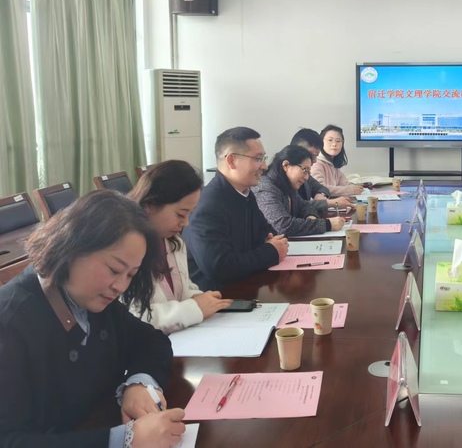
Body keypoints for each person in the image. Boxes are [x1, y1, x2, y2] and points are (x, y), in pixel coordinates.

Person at [0, 191, 185, 447]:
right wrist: (124, 440)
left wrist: (139, 383)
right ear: (73, 247)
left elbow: (151, 341)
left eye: (131, 274)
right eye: (114, 269)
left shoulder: (91, 299)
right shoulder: (10, 324)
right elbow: (8, 439)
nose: (120, 286)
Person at [129, 160, 233, 334]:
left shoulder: (173, 241)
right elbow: (134, 317)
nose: (186, 223)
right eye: (180, 214)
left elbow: (181, 289)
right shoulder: (127, 250)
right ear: (149, 205)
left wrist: (200, 298)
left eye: (189, 214)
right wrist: (194, 308)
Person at [185, 127, 289, 291]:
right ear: (232, 161)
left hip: (246, 286)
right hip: (219, 297)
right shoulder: (207, 205)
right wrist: (270, 252)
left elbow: (268, 232)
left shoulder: (245, 194)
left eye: (263, 158)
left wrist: (268, 244)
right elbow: (219, 268)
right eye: (258, 158)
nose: (264, 166)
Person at [254, 145, 346, 236]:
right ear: (286, 165)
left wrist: (311, 217)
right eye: (304, 170)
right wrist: (327, 225)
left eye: (308, 172)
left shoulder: (287, 184)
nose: (306, 177)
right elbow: (283, 226)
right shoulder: (266, 188)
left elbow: (305, 206)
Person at [291, 128, 353, 214]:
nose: (314, 161)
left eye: (338, 141)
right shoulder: (276, 183)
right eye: (330, 140)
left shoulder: (305, 173)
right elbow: (297, 206)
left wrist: (321, 194)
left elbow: (321, 188)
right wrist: (332, 203)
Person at [310, 124, 364, 198]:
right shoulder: (316, 163)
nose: (334, 144)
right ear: (321, 142)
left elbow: (344, 184)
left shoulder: (333, 164)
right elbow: (320, 188)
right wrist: (350, 190)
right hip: (322, 204)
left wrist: (355, 188)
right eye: (330, 140)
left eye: (338, 141)